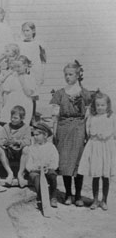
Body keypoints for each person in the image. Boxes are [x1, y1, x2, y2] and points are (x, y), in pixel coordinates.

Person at [50, 61, 92, 206]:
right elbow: (55, 116)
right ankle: (68, 194)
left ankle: (78, 196)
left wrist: (87, 134)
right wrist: (54, 133)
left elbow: (88, 116)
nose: (68, 77)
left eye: (71, 74)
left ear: (78, 74)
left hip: (79, 129)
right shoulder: (59, 94)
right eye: (66, 74)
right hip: (63, 128)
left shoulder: (85, 93)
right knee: (65, 162)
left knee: (78, 162)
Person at [78, 91, 116, 211]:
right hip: (95, 147)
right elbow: (88, 130)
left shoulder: (111, 116)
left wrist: (106, 135)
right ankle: (95, 200)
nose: (100, 108)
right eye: (98, 105)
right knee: (96, 174)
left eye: (102, 105)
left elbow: (114, 131)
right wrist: (95, 135)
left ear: (107, 105)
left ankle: (104, 200)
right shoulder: (92, 117)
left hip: (106, 147)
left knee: (105, 175)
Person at [25, 123, 59, 208]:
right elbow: (29, 164)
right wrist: (35, 168)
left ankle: (53, 197)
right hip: (36, 170)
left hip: (47, 169)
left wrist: (49, 167)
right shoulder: (32, 148)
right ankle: (41, 198)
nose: (35, 137)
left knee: (52, 175)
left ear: (45, 135)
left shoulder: (51, 147)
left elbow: (55, 161)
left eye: (37, 135)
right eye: (34, 135)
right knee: (36, 177)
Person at [0, 105, 32, 187]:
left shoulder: (26, 127)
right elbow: (1, 139)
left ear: (22, 118)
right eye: (12, 117)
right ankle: (10, 173)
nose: (12, 119)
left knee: (27, 149)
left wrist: (17, 141)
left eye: (15, 118)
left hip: (20, 152)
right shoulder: (6, 127)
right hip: (9, 151)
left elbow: (28, 141)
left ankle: (20, 174)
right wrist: (5, 142)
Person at [0, 55, 36, 125]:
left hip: (24, 103)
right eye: (15, 67)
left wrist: (23, 82)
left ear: (26, 65)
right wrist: (4, 105)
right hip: (12, 103)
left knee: (21, 123)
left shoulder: (30, 78)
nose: (17, 69)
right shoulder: (12, 77)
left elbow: (29, 93)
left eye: (19, 66)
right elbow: (5, 91)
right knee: (8, 122)